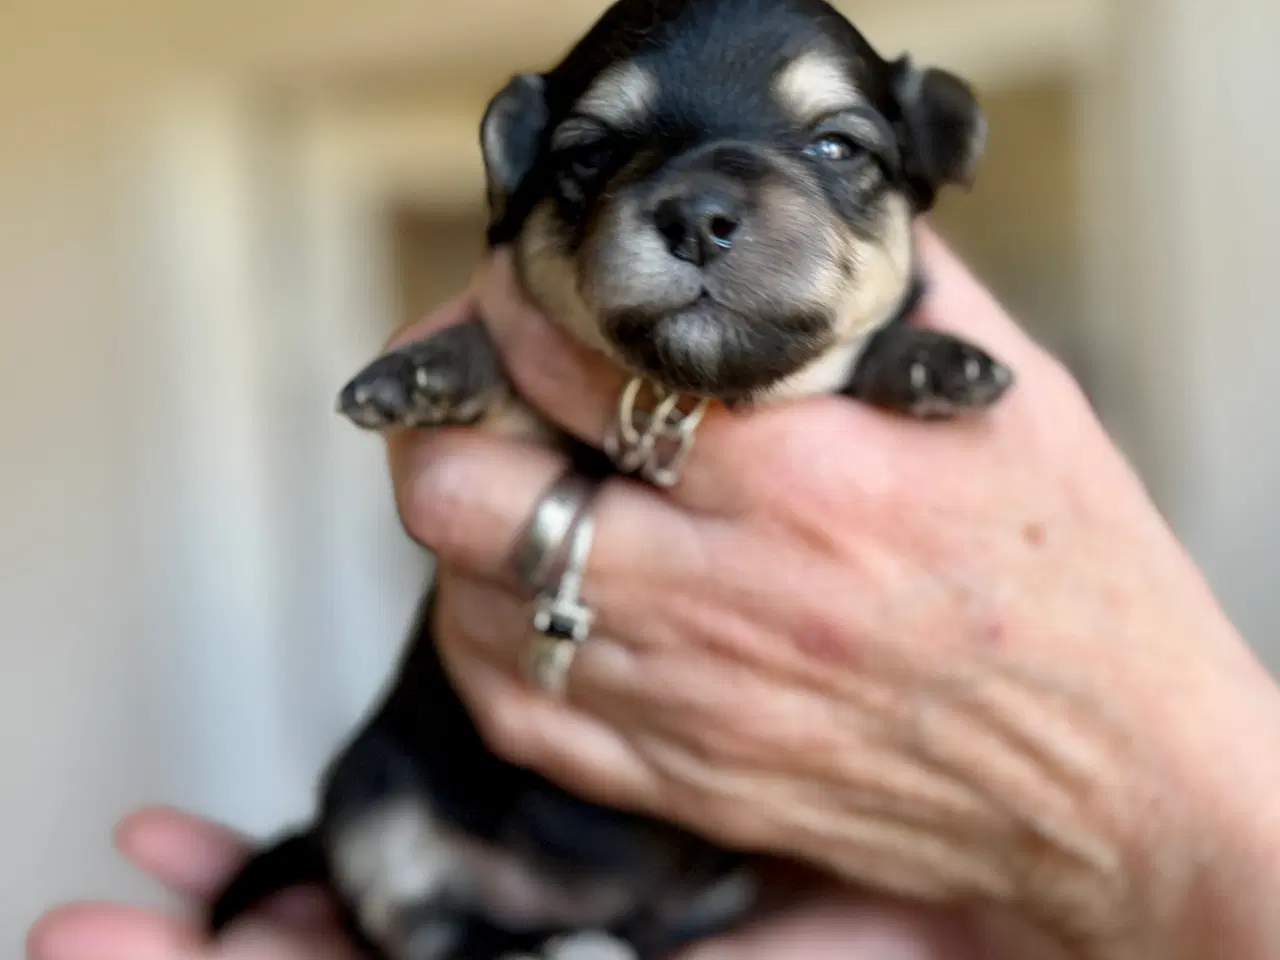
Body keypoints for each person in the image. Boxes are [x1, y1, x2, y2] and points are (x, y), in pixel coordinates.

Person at [27, 227, 1280, 960]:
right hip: (478, 821)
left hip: (730, 882)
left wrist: (1168, 824)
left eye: (832, 145)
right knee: (380, 822)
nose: (709, 224)